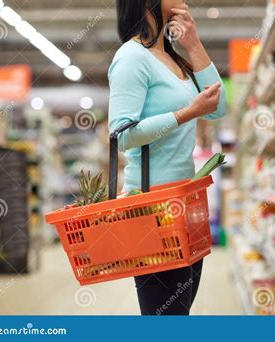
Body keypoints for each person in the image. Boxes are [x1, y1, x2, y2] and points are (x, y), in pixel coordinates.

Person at [108, 0, 227, 315]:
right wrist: (188, 113)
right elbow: (122, 135)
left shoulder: (173, 58)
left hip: (186, 202)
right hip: (152, 210)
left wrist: (194, 44)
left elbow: (220, 106)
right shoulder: (131, 57)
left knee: (179, 314)